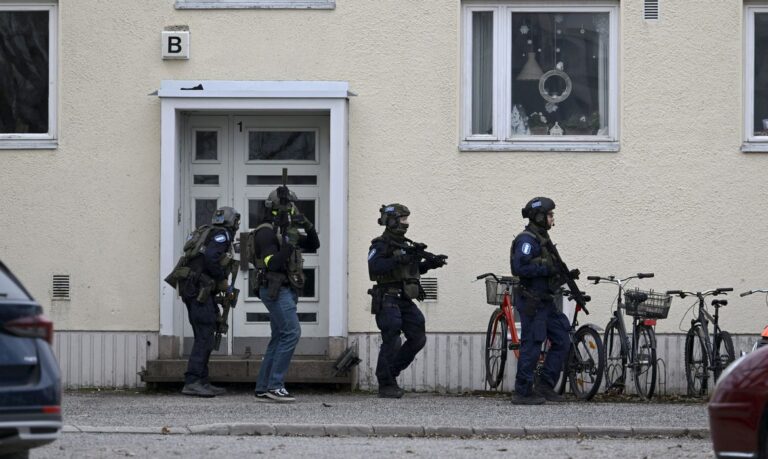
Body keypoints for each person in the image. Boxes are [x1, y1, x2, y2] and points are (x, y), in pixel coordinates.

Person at [367, 204, 447, 398]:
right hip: (387, 297)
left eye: (406, 219)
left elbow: (411, 270)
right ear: (392, 220)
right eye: (403, 219)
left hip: (403, 298)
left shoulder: (405, 244)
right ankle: (385, 384)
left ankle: (391, 373)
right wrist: (399, 259)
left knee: (418, 336)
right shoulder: (381, 244)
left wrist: (430, 263)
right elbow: (374, 268)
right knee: (392, 338)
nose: (406, 223)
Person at [249, 185, 319, 403]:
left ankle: (263, 387)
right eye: (289, 206)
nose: (292, 210)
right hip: (274, 288)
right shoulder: (265, 231)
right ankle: (275, 385)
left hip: (285, 288)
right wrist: (288, 244)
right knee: (291, 333)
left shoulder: (284, 231)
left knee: (279, 337)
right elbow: (273, 264)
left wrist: (306, 225)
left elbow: (314, 244)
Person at [166, 206, 240, 398]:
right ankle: (192, 381)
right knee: (205, 334)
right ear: (231, 221)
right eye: (236, 222)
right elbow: (210, 258)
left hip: (193, 289)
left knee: (204, 333)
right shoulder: (221, 234)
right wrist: (222, 278)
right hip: (199, 289)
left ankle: (202, 380)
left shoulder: (206, 231)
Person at [510, 197, 570, 405]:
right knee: (533, 343)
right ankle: (523, 391)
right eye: (550, 215)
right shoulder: (527, 240)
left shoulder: (542, 239)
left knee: (563, 337)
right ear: (539, 216)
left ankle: (544, 385)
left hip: (546, 300)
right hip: (532, 301)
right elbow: (520, 267)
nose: (553, 219)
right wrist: (547, 268)